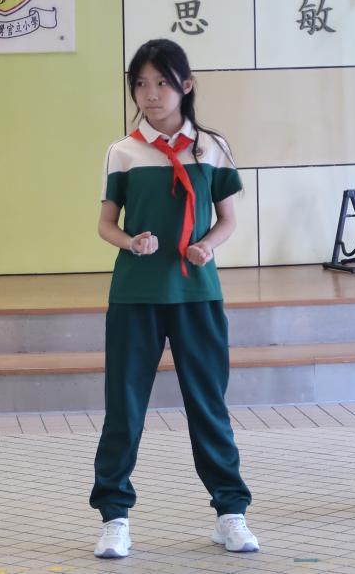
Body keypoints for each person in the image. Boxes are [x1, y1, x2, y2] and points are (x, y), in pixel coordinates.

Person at [90, 39, 258, 559]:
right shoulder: (122, 151)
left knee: (208, 405)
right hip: (134, 295)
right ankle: (115, 517)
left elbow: (227, 219)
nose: (150, 93)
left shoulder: (212, 147)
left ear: (186, 85)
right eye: (140, 83)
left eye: (162, 82)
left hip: (196, 294)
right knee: (124, 407)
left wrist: (208, 245)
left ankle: (230, 512)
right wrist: (130, 242)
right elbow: (105, 224)